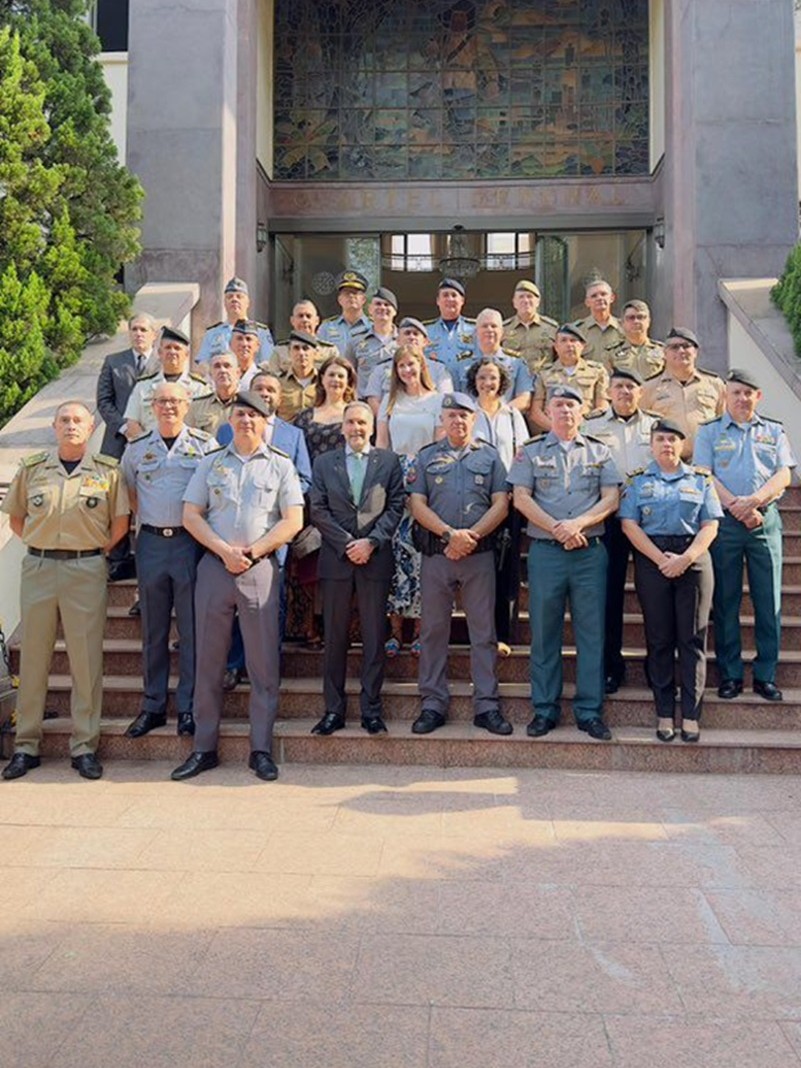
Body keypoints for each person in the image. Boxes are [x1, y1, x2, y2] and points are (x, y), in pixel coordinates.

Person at [172, 391, 304, 782]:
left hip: (259, 569)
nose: (246, 420)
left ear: (266, 421)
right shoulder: (211, 463)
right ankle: (203, 749)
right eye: (240, 413)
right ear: (230, 419)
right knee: (208, 663)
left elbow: (292, 520)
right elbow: (191, 515)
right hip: (214, 568)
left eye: (254, 415)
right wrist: (223, 550)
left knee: (263, 664)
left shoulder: (280, 465)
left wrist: (253, 551)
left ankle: (260, 749)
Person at [1, 402, 129, 781]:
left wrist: (90, 551)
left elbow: (120, 524)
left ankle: (84, 746)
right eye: (65, 421)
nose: (71, 426)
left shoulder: (108, 472)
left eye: (78, 421)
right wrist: (44, 546)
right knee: (35, 659)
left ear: (91, 428)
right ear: (54, 427)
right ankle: (26, 745)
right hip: (39, 568)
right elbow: (17, 519)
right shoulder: (33, 469)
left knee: (86, 660)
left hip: (86, 569)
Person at [509, 385, 619, 740]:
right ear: (549, 412)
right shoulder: (530, 452)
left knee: (592, 633)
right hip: (546, 553)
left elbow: (612, 498)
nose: (565, 411)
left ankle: (589, 711)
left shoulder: (600, 451)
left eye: (572, 405)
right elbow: (521, 498)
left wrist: (577, 525)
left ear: (582, 411)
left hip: (589, 552)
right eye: (558, 405)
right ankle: (544, 709)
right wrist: (556, 528)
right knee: (544, 634)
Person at [408, 393, 512, 736]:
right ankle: (432, 704)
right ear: (443, 419)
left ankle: (486, 705)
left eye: (464, 416)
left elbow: (501, 503)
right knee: (433, 632)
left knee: (483, 633)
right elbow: (417, 504)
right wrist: (450, 534)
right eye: (452, 415)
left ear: (474, 420)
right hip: (438, 555)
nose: (458, 421)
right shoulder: (426, 457)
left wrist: (471, 536)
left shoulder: (491, 457)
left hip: (479, 556)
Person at [694, 369, 796, 701]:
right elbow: (705, 475)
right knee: (726, 601)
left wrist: (754, 502)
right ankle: (731, 674)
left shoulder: (774, 430)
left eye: (748, 393)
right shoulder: (709, 432)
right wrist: (737, 507)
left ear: (758, 396)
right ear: (726, 395)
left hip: (764, 522)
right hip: (724, 525)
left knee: (769, 601)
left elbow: (783, 474)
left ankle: (766, 675)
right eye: (736, 392)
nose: (742, 398)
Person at [121, 383, 215, 739]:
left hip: (189, 544)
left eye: (175, 401)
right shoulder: (136, 449)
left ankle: (188, 707)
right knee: (154, 630)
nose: (169, 407)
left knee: (192, 630)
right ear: (152, 406)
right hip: (151, 544)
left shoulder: (205, 447)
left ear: (188, 404)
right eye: (162, 401)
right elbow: (130, 492)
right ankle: (153, 705)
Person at [620, 419, 722, 742]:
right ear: (651, 445)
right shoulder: (637, 482)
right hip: (653, 560)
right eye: (661, 439)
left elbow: (710, 525)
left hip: (692, 560)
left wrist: (685, 558)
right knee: (660, 638)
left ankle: (691, 714)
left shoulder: (701, 480)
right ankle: (664, 712)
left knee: (692, 640)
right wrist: (661, 558)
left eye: (673, 439)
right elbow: (629, 525)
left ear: (683, 445)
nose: (667, 444)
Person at [309, 402, 405, 735]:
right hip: (337, 560)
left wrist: (372, 542)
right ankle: (333, 710)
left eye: (362, 422)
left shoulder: (389, 461)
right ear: (342, 427)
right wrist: (348, 543)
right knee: (334, 637)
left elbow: (396, 506)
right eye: (350, 422)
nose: (356, 429)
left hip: (375, 559)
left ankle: (371, 710)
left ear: (372, 426)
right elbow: (317, 509)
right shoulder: (324, 463)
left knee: (374, 636)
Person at [221, 370, 313, 691]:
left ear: (279, 396)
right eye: (259, 388)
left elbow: (304, 480)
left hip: (276, 531)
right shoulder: (224, 430)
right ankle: (233, 664)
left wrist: (276, 502)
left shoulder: (293, 435)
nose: (265, 393)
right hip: (232, 534)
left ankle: (267, 666)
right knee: (234, 602)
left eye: (271, 389)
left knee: (272, 603)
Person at [582, 368, 659, 693]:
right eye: (619, 387)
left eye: (631, 386)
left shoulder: (655, 425)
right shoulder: (592, 425)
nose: (625, 392)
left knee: (655, 596)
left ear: (640, 392)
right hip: (609, 520)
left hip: (650, 519)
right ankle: (611, 666)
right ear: (609, 392)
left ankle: (657, 667)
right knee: (609, 595)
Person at [375, 345, 444, 656]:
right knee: (396, 555)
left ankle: (420, 631)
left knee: (423, 558)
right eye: (401, 365)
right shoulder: (389, 403)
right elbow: (382, 444)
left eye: (411, 364)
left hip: (427, 479)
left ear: (422, 366)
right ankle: (394, 630)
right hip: (395, 479)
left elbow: (441, 445)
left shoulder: (436, 401)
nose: (406, 370)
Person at [290, 354, 356, 645]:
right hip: (308, 498)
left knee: (339, 562)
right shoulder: (305, 416)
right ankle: (309, 625)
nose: (335, 380)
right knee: (308, 561)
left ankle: (339, 626)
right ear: (322, 379)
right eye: (331, 375)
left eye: (341, 376)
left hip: (344, 499)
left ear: (349, 381)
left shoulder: (355, 413)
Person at [466, 357, 528, 657]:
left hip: (507, 498)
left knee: (507, 568)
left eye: (492, 378)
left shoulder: (513, 415)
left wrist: (517, 488)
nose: (487, 383)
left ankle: (502, 634)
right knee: (478, 567)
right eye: (481, 378)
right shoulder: (468, 413)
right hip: (474, 498)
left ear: (502, 382)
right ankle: (478, 632)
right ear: (473, 381)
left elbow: (522, 454)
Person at [640, 327, 725, 459]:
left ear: (695, 351)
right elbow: (642, 429)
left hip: (708, 460)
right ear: (665, 353)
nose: (681, 351)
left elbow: (724, 422)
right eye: (674, 347)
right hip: (667, 462)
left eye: (686, 346)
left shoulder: (715, 384)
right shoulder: (649, 388)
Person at [123, 325, 211, 439]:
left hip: (189, 451)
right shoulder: (143, 386)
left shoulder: (200, 388)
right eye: (168, 347)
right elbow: (132, 424)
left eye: (177, 348)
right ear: (159, 353)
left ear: (187, 354)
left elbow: (207, 427)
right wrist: (148, 448)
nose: (172, 351)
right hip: (150, 451)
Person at [96, 312, 160, 459]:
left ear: (154, 335)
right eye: (134, 329)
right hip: (118, 439)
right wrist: (125, 428)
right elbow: (104, 401)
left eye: (143, 330)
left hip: (154, 437)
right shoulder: (113, 361)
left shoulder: (163, 364)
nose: (138, 334)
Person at [364, 317, 453, 414]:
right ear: (397, 340)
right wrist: (388, 421)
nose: (411, 337)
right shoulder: (381, 369)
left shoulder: (439, 369)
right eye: (407, 333)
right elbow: (373, 400)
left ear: (426, 342)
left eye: (416, 334)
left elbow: (446, 400)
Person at [529, 324, 609, 430]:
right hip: (551, 433)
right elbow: (535, 412)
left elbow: (602, 407)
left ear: (582, 346)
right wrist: (557, 430)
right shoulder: (543, 373)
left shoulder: (597, 371)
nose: (569, 345)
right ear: (556, 347)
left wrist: (583, 428)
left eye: (573, 340)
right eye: (564, 340)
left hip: (587, 432)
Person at [457, 307, 532, 412]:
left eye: (494, 326)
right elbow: (455, 397)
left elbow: (524, 399)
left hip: (505, 419)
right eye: (484, 326)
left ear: (502, 332)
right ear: (476, 332)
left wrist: (500, 413)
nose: (489, 330)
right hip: (472, 420)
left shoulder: (516, 362)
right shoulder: (461, 363)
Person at [196, 276, 274, 364]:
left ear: (248, 302)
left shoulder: (261, 332)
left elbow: (267, 363)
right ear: (224, 303)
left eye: (239, 296)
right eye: (230, 297)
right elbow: (202, 364)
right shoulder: (212, 333)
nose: (234, 299)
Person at [345, 287, 398, 398]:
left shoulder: (403, 342)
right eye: (378, 304)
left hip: (396, 404)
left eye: (387, 305)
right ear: (369, 309)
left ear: (395, 311)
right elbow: (347, 376)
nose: (382, 308)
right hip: (364, 406)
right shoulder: (356, 342)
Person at [266, 299, 339, 375]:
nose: (304, 320)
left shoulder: (330, 352)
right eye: (300, 316)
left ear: (317, 321)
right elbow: (272, 379)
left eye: (308, 316)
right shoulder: (279, 351)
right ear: (292, 321)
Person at [423, 278, 477, 379]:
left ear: (462, 301)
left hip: (466, 388)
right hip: (436, 388)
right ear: (438, 301)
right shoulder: (425, 331)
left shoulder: (475, 329)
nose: (450, 299)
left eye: (454, 295)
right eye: (445, 295)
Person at [501, 279, 558, 376]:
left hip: (543, 382)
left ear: (538, 302)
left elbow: (559, 358)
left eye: (529, 296)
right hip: (513, 382)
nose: (525, 300)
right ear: (514, 302)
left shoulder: (551, 328)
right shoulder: (504, 329)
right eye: (521, 297)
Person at [606, 299, 665, 380]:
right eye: (631, 318)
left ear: (648, 321)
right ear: (622, 323)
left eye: (640, 317)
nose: (636, 321)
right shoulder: (611, 353)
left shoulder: (663, 350)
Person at [572, 278, 626, 365]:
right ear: (587, 302)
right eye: (594, 296)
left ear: (612, 298)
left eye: (603, 294)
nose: (599, 298)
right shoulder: (578, 331)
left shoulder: (625, 328)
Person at [188, 351, 240, 439]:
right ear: (210, 374)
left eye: (227, 366)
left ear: (238, 373)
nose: (223, 370)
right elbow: (188, 439)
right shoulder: (196, 406)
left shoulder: (248, 405)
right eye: (217, 366)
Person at [317, 270, 371, 349]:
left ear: (363, 299)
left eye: (355, 292)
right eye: (347, 293)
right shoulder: (326, 328)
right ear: (339, 300)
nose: (351, 296)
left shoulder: (373, 327)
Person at [276, 330, 322, 422]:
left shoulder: (324, 382)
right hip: (287, 433)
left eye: (306, 348)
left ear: (315, 353)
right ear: (289, 352)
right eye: (296, 348)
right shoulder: (278, 383)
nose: (301, 353)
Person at [229, 318, 264, 388]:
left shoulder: (262, 377)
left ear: (257, 346)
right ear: (230, 344)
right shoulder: (221, 373)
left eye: (248, 339)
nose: (244, 344)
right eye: (239, 338)